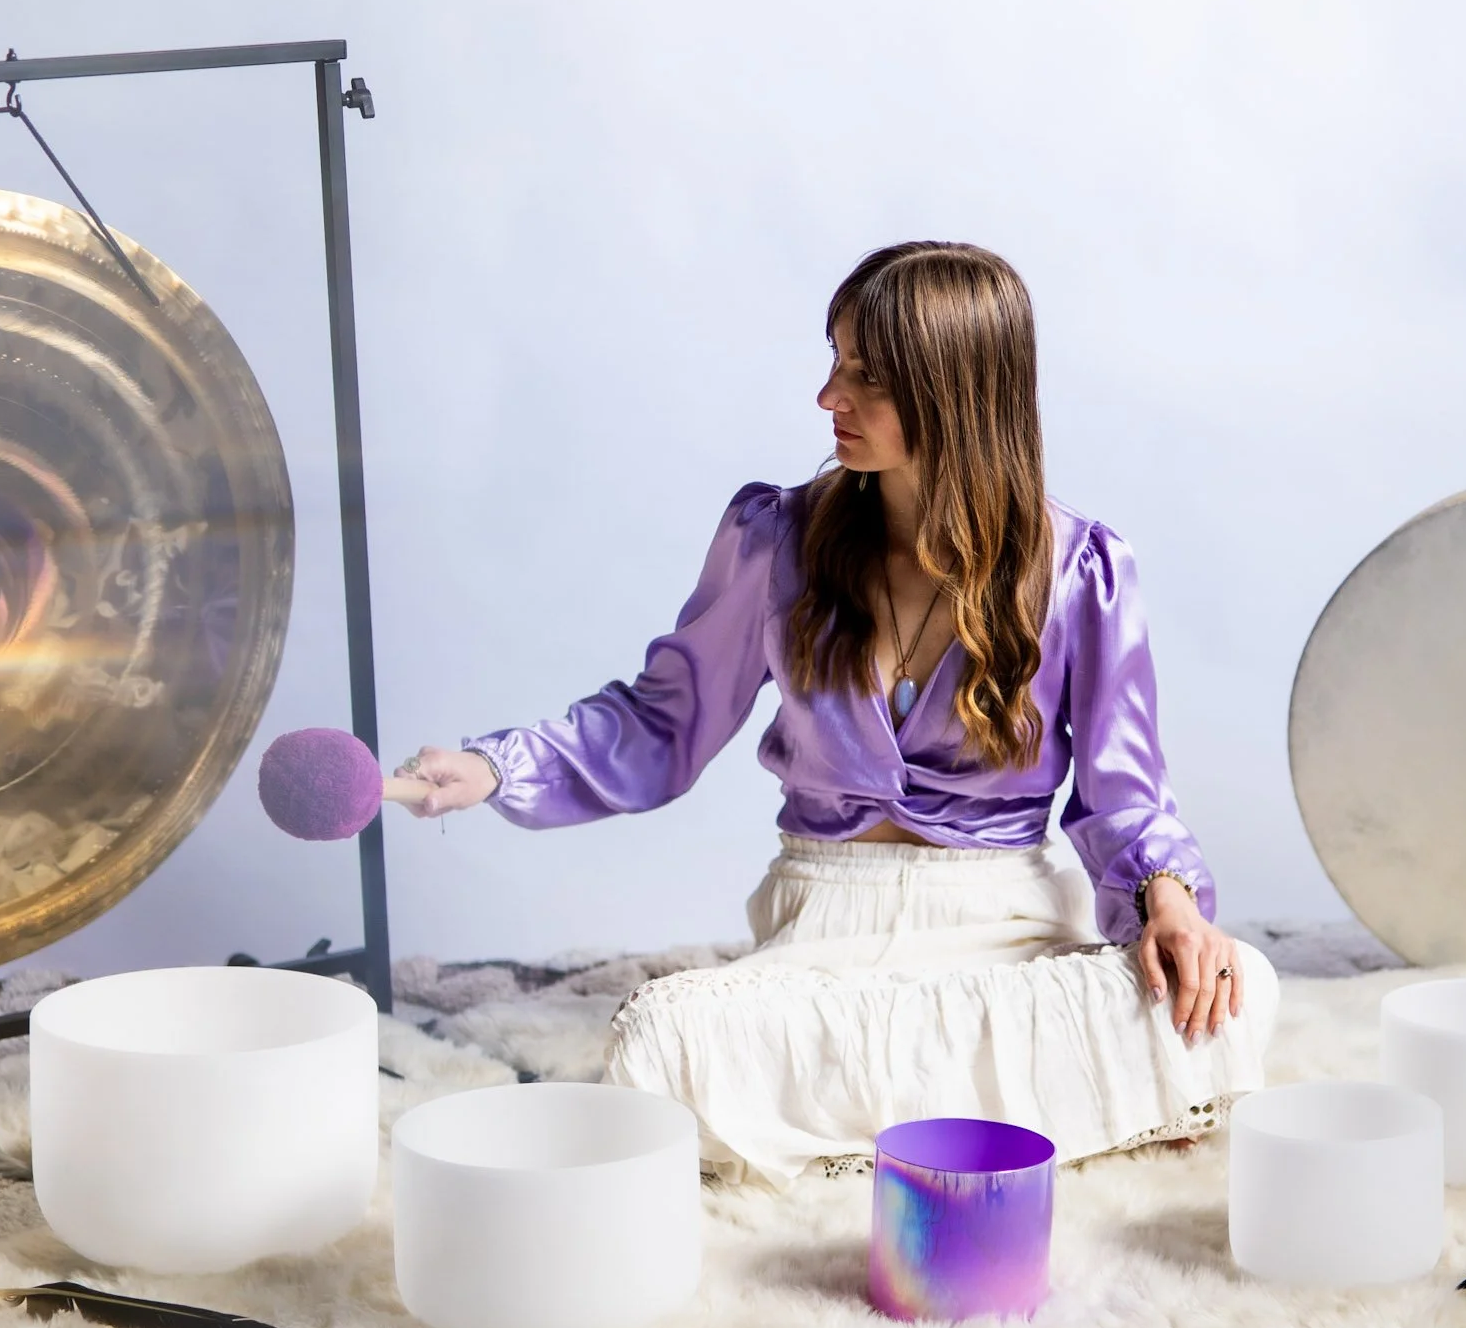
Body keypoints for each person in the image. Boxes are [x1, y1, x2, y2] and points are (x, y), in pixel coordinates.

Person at [398, 241, 1278, 1188]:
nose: (829, 398)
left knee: (1238, 991)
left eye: (866, 377)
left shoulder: (1081, 570)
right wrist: (496, 768)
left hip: (1011, 932)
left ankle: (864, 1121)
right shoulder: (777, 540)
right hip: (824, 931)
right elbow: (664, 721)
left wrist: (1171, 906)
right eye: (834, 363)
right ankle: (986, 1116)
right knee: (660, 1035)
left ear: (955, 394)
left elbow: (1125, 791)